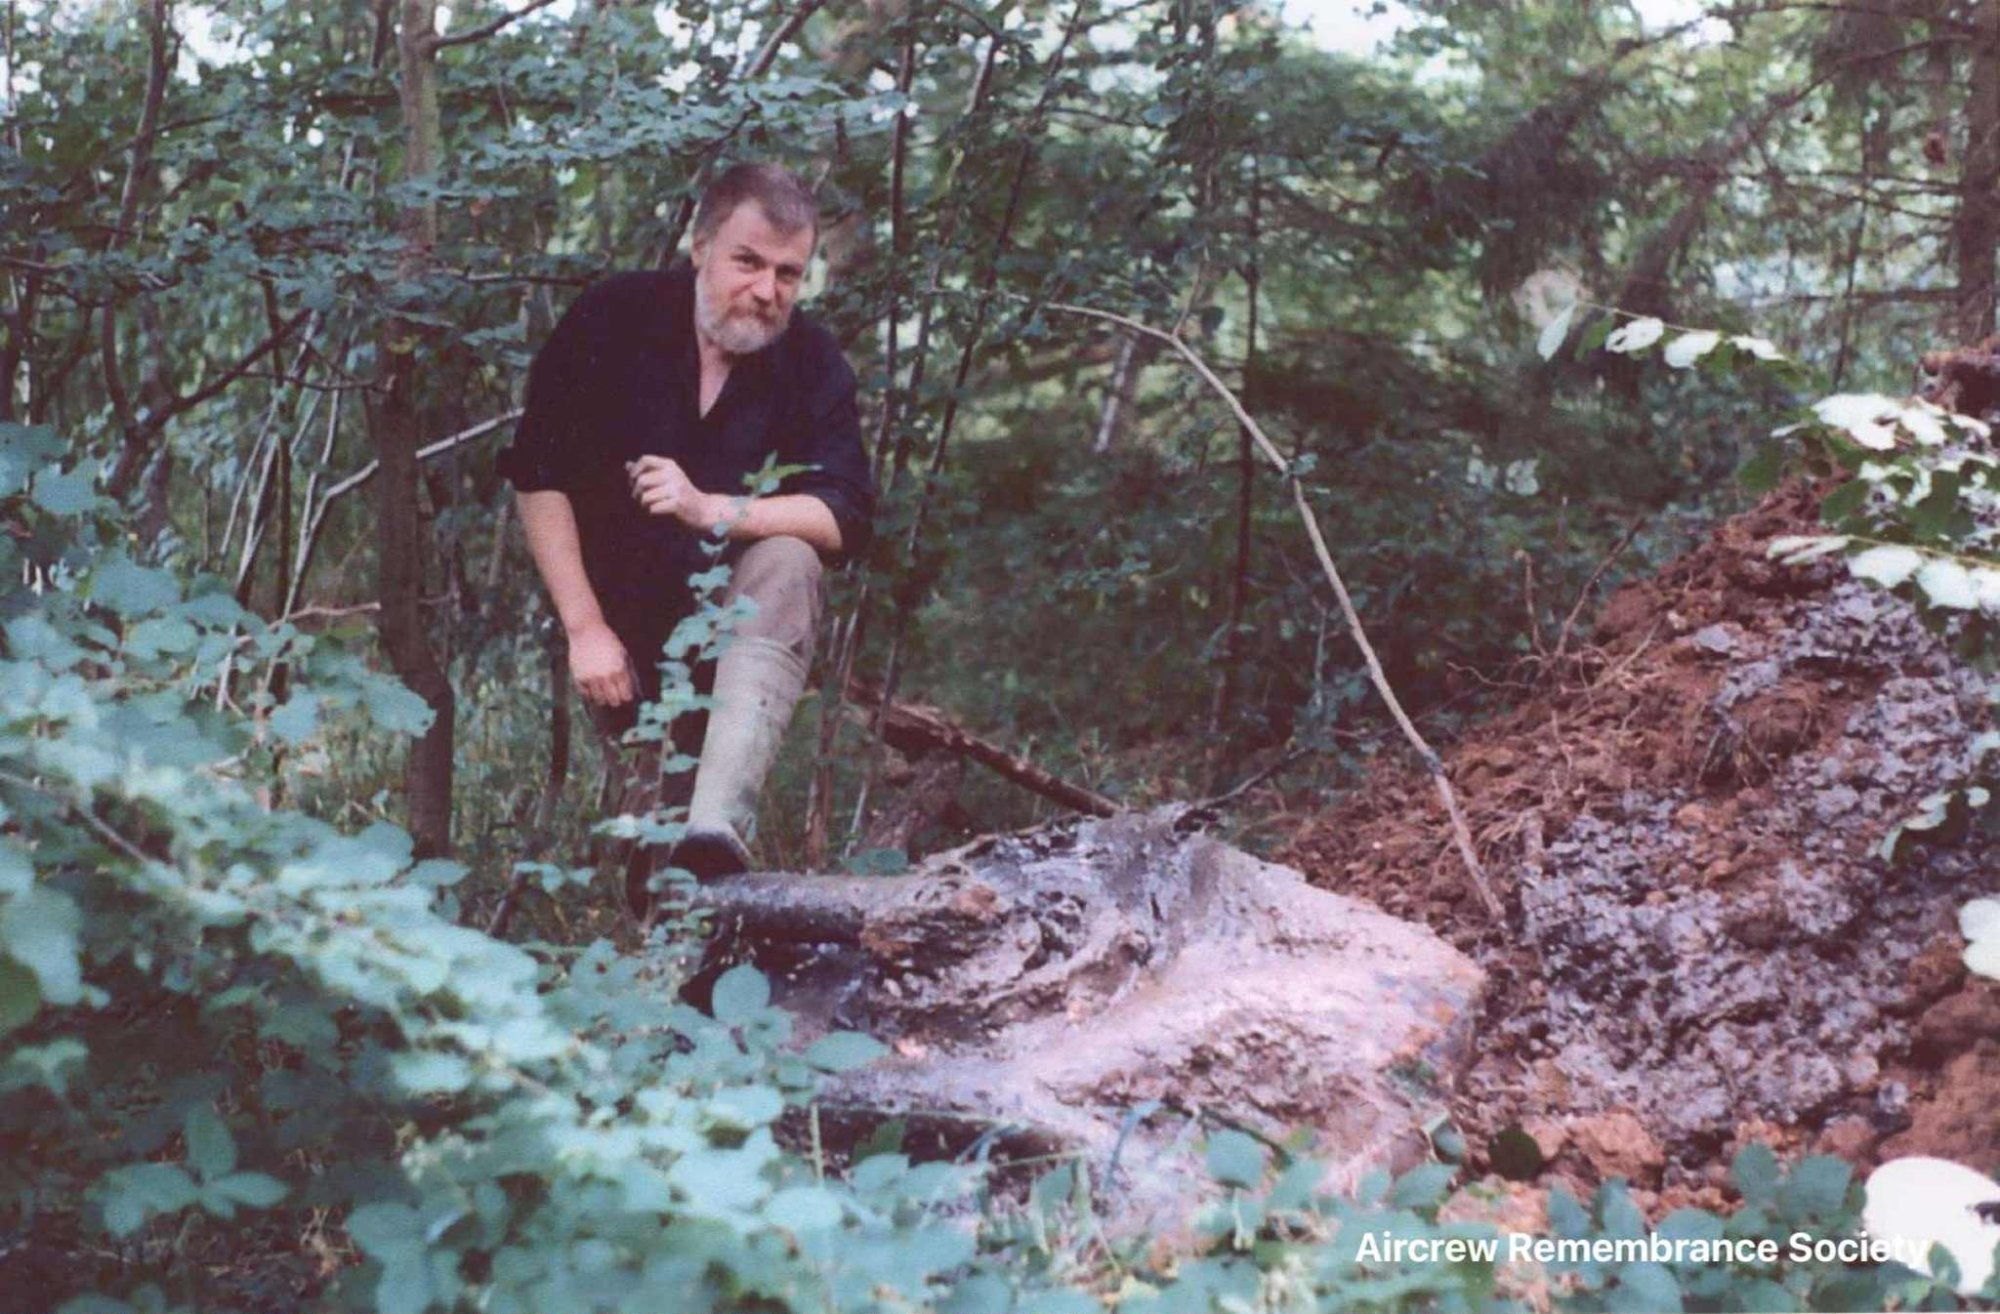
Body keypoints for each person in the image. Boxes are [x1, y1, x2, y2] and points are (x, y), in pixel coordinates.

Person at [496, 162, 874, 923]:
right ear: (698, 245)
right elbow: (538, 476)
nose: (768, 291)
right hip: (621, 638)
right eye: (748, 262)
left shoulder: (811, 362)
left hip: (735, 637)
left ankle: (718, 836)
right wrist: (585, 630)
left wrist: (717, 510)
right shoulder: (613, 319)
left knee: (791, 556)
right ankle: (661, 941)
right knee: (647, 850)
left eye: (789, 274)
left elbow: (845, 519)